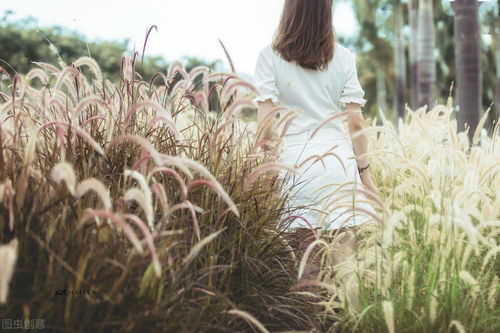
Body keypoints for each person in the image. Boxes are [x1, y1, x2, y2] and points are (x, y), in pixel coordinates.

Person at [253, 0, 381, 282]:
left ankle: (311, 323)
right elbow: (356, 121)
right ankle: (351, 322)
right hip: (339, 167)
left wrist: (269, 169)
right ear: (326, 12)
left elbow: (264, 126)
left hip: (294, 169)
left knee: (305, 266)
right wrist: (364, 173)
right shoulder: (344, 57)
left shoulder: (269, 57)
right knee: (346, 262)